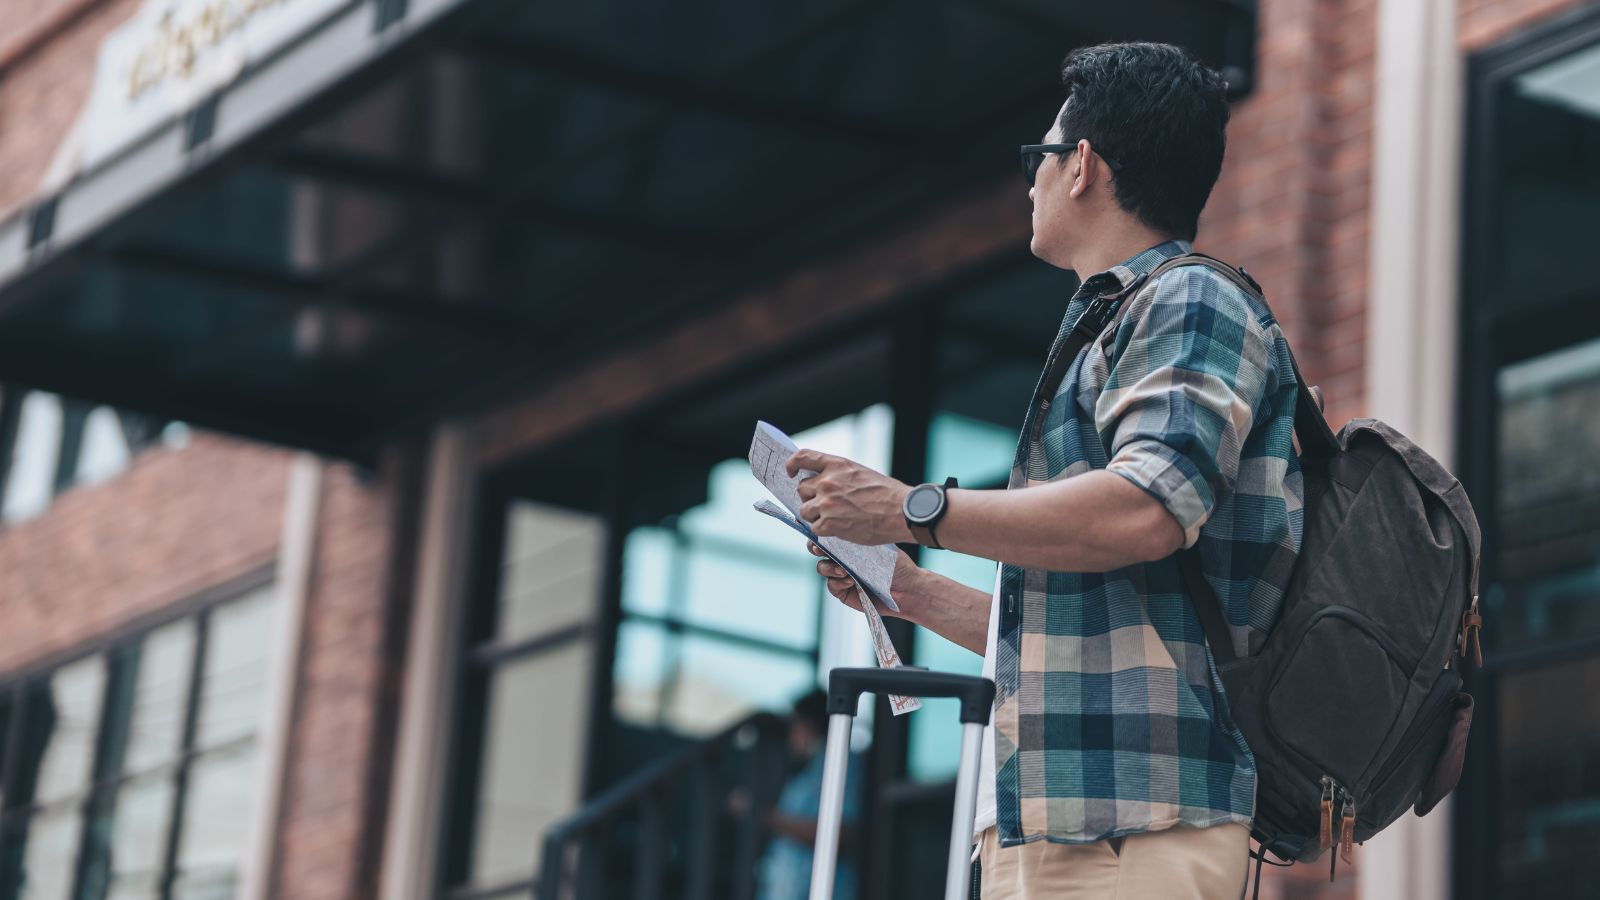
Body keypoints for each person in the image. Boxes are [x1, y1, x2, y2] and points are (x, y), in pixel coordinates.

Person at [792, 42, 1307, 899]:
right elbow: (1082, 620)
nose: (1026, 181)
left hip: (1135, 829)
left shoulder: (1189, 298)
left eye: (1039, 158)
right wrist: (909, 589)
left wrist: (910, 506)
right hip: (1061, 824)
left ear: (1082, 168)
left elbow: (1149, 508)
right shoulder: (1113, 322)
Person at [737, 688, 863, 900]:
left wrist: (764, 814)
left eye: (795, 726)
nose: (791, 736)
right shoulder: (809, 771)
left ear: (809, 726)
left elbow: (840, 833)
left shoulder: (841, 767)